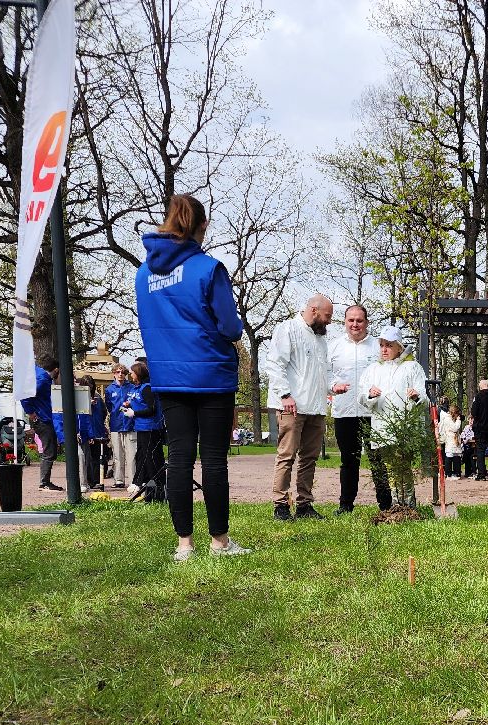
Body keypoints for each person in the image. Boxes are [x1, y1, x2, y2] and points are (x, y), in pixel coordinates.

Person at [134, 193, 248, 560]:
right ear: (203, 225)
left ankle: (184, 544)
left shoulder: (144, 274)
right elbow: (230, 327)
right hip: (211, 373)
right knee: (213, 459)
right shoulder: (208, 269)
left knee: (179, 457)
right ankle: (220, 541)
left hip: (168, 375)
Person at [261, 293, 335, 521]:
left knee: (309, 458)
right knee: (287, 456)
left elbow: (325, 372)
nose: (330, 321)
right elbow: (275, 364)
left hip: (316, 407)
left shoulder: (320, 339)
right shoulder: (288, 329)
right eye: (327, 316)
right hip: (291, 406)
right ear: (314, 310)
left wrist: (334, 386)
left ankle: (304, 505)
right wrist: (285, 394)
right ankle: (281, 505)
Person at [360, 325, 428, 511]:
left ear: (399, 347)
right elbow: (362, 397)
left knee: (403, 466)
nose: (384, 349)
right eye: (381, 345)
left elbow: (424, 397)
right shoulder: (373, 369)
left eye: (389, 345)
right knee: (390, 468)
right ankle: (397, 506)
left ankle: (409, 506)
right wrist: (370, 395)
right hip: (382, 428)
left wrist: (416, 396)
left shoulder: (412, 367)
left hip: (405, 428)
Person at [326, 303, 379, 513]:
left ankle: (385, 504)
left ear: (366, 322)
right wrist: (333, 386)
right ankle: (346, 504)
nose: (355, 324)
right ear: (345, 322)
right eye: (351, 320)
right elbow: (326, 374)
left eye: (359, 320)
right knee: (348, 460)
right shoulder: (334, 347)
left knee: (378, 459)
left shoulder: (377, 346)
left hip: (374, 412)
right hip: (344, 412)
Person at [20, 356, 63, 491]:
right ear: (56, 370)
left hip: (42, 417)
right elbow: (25, 396)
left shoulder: (37, 374)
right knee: (49, 451)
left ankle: (45, 482)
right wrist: (30, 412)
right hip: (43, 419)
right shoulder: (43, 379)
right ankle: (44, 483)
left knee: (49, 450)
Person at [124, 359, 166, 497]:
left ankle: (156, 487)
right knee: (141, 455)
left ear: (138, 373)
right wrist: (129, 405)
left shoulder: (147, 388)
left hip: (150, 428)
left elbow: (152, 409)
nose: (130, 375)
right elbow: (139, 402)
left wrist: (135, 413)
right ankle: (140, 482)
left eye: (132, 372)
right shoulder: (137, 388)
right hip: (140, 427)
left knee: (150, 458)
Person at [105, 365, 138, 491]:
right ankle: (119, 480)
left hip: (130, 425)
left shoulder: (132, 387)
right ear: (114, 373)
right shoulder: (109, 389)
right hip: (116, 425)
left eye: (123, 372)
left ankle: (133, 480)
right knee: (118, 455)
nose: (120, 374)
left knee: (131, 455)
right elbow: (109, 406)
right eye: (118, 372)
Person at [77, 375, 108, 491]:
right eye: (86, 386)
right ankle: (88, 480)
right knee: (86, 457)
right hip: (86, 431)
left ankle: (97, 480)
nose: (89, 389)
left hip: (97, 430)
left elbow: (104, 412)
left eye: (91, 386)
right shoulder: (79, 397)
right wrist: (87, 404)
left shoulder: (98, 397)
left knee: (97, 456)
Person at [471, 377, 488, 480]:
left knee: (480, 451)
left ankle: (481, 474)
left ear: (481, 386)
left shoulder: (478, 397)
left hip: (480, 428)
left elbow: (474, 412)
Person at [439, 406, 462, 477]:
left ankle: (457, 472)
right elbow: (455, 428)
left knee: (456, 456)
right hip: (450, 440)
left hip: (455, 440)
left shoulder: (451, 418)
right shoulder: (447, 419)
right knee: (449, 455)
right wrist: (458, 420)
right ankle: (448, 473)